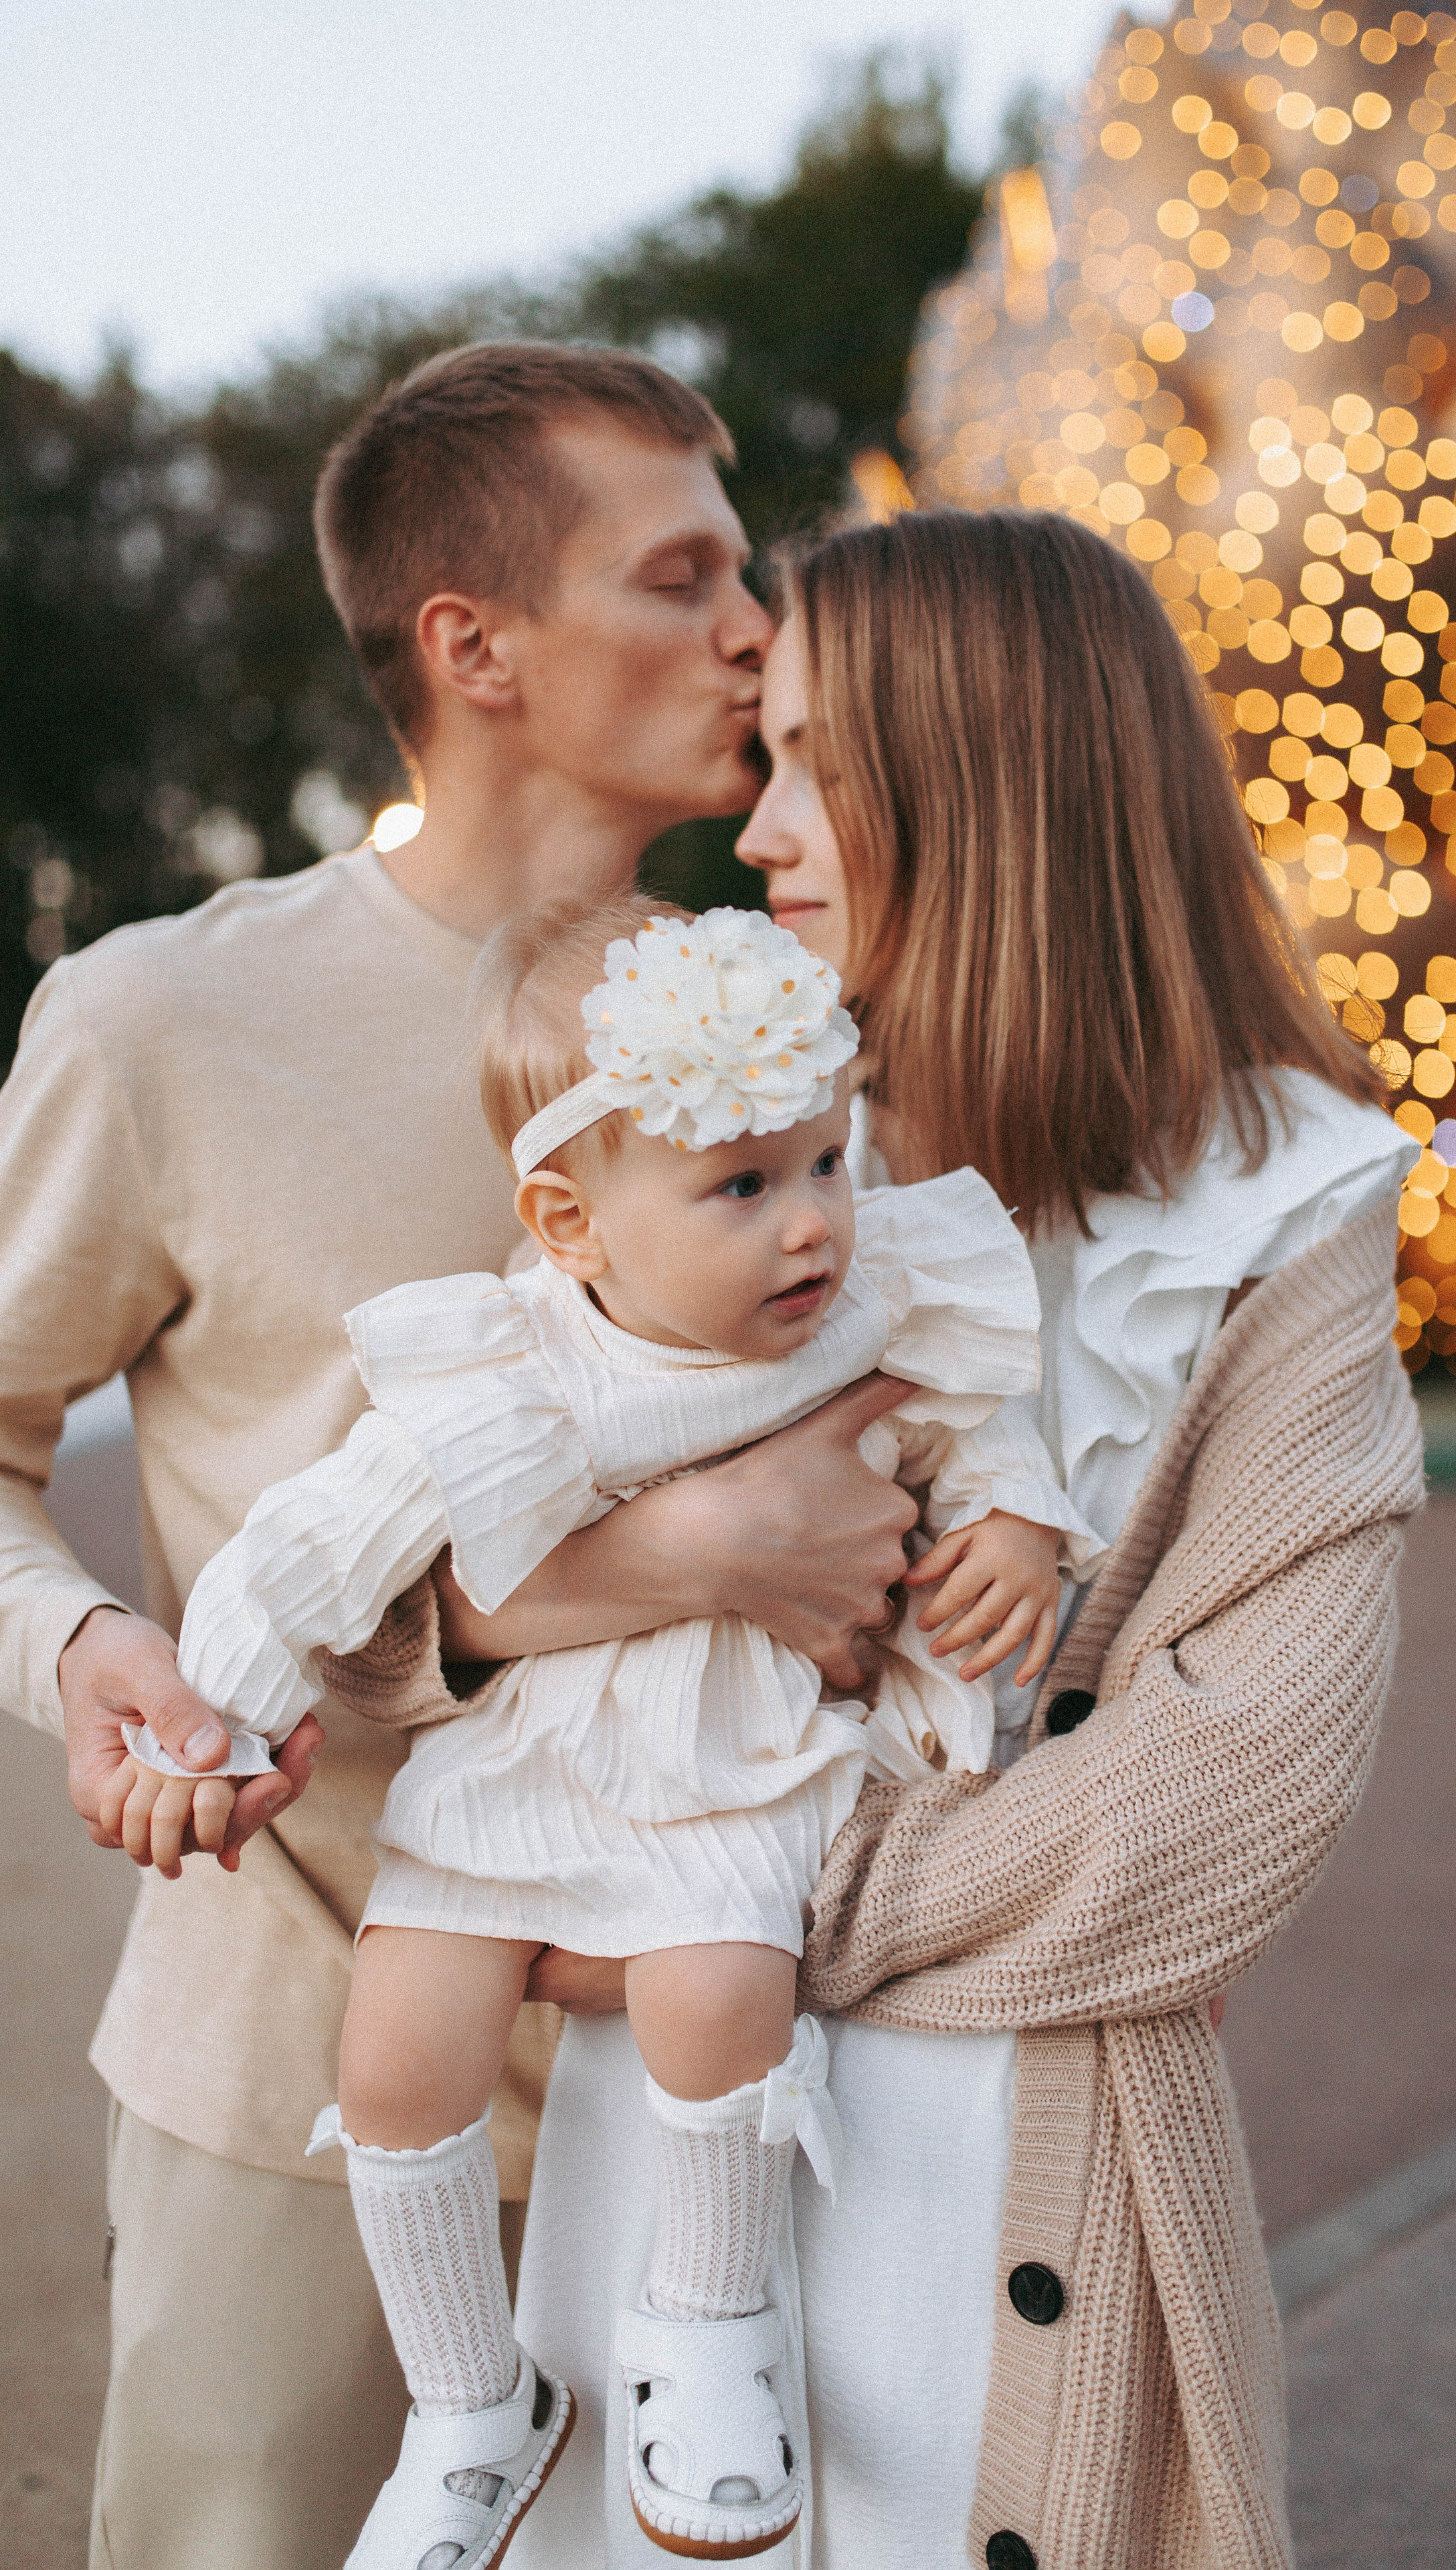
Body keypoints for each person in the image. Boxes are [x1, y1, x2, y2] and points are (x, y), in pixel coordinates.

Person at [368, 507, 1423, 2567]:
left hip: (1005, 2160)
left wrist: (704, 1912)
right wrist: (684, 1564)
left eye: (811, 763)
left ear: (989, 782)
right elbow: (410, 1594)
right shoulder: (713, 1146)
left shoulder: (1289, 1210)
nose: (755, 834)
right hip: (674, 2170)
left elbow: (1232, 1793)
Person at [0, 341, 923, 2570]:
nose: (757, 636)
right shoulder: (162, 1020)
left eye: (756, 577)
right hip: (315, 2079)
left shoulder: (812, 1003)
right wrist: (86, 1641)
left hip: (736, 2069)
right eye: (687, 575)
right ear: (473, 645)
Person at [115, 893, 1096, 2565]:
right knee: (398, 2042)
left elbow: (972, 1417)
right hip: (523, 1770)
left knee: (721, 1987)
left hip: (732, 1755)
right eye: (741, 1186)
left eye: (826, 1166)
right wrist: (211, 1723)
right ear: (570, 1224)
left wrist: (1014, 1524)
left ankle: (710, 2332)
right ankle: (470, 2407)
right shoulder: (516, 1370)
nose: (811, 1230)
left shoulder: (868, 1316)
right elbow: (318, 1549)